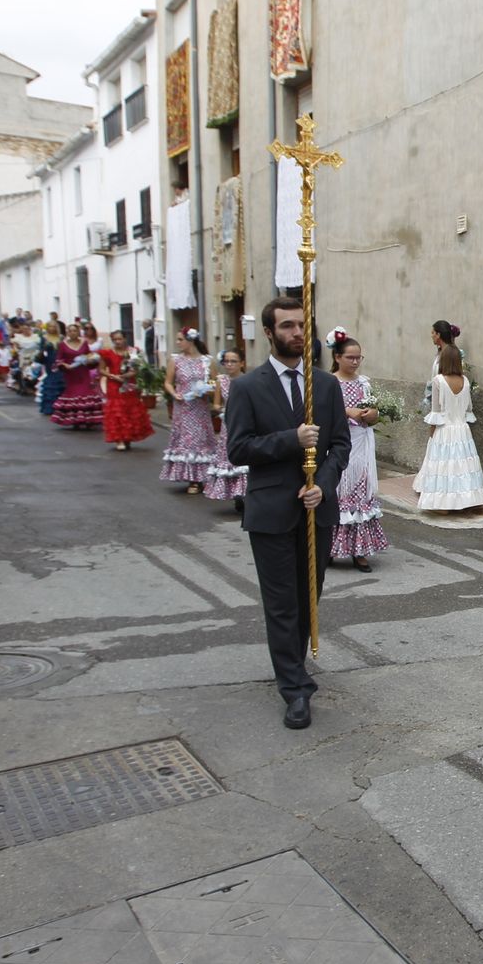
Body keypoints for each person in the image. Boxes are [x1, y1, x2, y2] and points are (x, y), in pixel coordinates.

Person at [225, 296, 350, 730]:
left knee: (306, 601)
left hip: (317, 510)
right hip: (270, 511)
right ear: (269, 333)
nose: (297, 333)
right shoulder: (246, 387)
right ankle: (295, 690)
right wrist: (290, 439)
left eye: (302, 325)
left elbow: (339, 446)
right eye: (287, 326)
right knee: (282, 605)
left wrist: (324, 484)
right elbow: (238, 449)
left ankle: (291, 667)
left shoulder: (326, 385)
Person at [329, 330, 389, 569]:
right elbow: (322, 413)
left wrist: (373, 414)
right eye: (350, 357)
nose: (354, 362)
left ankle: (359, 549)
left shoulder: (364, 383)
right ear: (337, 357)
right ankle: (331, 548)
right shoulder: (330, 382)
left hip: (362, 444)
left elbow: (372, 412)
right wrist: (346, 411)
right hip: (340, 444)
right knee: (338, 495)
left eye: (358, 358)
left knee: (361, 494)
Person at [414, 341, 483, 511]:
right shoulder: (466, 381)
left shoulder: (438, 380)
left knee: (443, 466)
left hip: (444, 429)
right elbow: (469, 409)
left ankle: (442, 505)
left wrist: (431, 432)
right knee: (462, 466)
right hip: (462, 429)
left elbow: (436, 411)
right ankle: (466, 501)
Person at [159, 328, 217, 494]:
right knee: (187, 441)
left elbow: (215, 383)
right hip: (183, 407)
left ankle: (202, 476)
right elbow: (168, 382)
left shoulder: (207, 361)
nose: (177, 343)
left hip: (200, 407)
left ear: (190, 340)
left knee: (201, 440)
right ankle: (192, 479)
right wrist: (173, 393)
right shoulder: (175, 360)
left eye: (180, 340)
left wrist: (207, 391)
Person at [204, 348, 250, 510]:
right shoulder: (221, 381)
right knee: (230, 457)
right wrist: (221, 410)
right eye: (226, 362)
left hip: (245, 423)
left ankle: (246, 492)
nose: (229, 365)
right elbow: (216, 404)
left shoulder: (248, 380)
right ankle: (236, 493)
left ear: (242, 363)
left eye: (233, 361)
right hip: (227, 425)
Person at [98, 330, 154, 451]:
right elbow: (101, 369)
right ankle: (118, 439)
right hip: (113, 384)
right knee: (116, 410)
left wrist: (125, 376)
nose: (118, 342)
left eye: (120, 339)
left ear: (125, 339)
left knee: (129, 409)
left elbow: (135, 369)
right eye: (115, 340)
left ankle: (128, 436)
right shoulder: (107, 353)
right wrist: (112, 376)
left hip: (129, 384)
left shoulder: (133, 352)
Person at [51, 325, 103, 429]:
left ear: (78, 332)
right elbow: (58, 360)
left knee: (85, 393)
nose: (73, 333)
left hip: (83, 372)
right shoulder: (62, 345)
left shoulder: (84, 343)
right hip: (71, 374)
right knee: (74, 394)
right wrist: (64, 365)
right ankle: (75, 419)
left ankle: (89, 419)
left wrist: (91, 360)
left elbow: (89, 355)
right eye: (70, 331)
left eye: (75, 331)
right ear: (67, 333)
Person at [36, 324, 65, 416]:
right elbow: (41, 352)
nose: (52, 328)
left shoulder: (61, 338)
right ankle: (50, 406)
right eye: (50, 326)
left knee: (61, 379)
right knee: (51, 381)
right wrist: (44, 347)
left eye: (53, 326)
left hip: (60, 360)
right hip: (49, 361)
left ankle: (62, 406)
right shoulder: (44, 338)